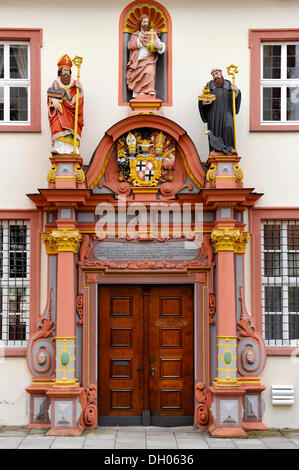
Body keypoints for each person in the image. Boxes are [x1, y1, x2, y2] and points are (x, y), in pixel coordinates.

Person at [198, 68, 241, 155]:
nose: (215, 76)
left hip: (227, 111)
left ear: (221, 73)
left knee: (229, 126)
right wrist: (204, 102)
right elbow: (202, 99)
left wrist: (236, 92)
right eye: (213, 75)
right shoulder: (209, 85)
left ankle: (230, 148)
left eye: (216, 73)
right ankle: (215, 149)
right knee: (214, 130)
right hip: (214, 113)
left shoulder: (229, 84)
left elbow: (235, 98)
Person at [47, 54, 84, 154]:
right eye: (64, 70)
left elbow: (79, 101)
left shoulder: (75, 84)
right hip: (59, 111)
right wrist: (53, 100)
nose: (66, 73)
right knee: (57, 126)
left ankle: (73, 149)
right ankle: (59, 149)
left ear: (70, 72)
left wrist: (80, 91)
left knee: (72, 130)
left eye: (67, 70)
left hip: (71, 112)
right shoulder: (56, 84)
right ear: (60, 72)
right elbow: (50, 96)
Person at [126, 14, 165, 97]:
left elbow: (158, 43)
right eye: (144, 21)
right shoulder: (135, 35)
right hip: (139, 58)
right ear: (140, 23)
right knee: (139, 75)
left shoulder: (152, 34)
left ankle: (150, 90)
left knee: (150, 72)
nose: (146, 23)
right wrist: (139, 41)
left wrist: (160, 46)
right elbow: (130, 45)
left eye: (147, 21)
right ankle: (140, 91)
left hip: (150, 58)